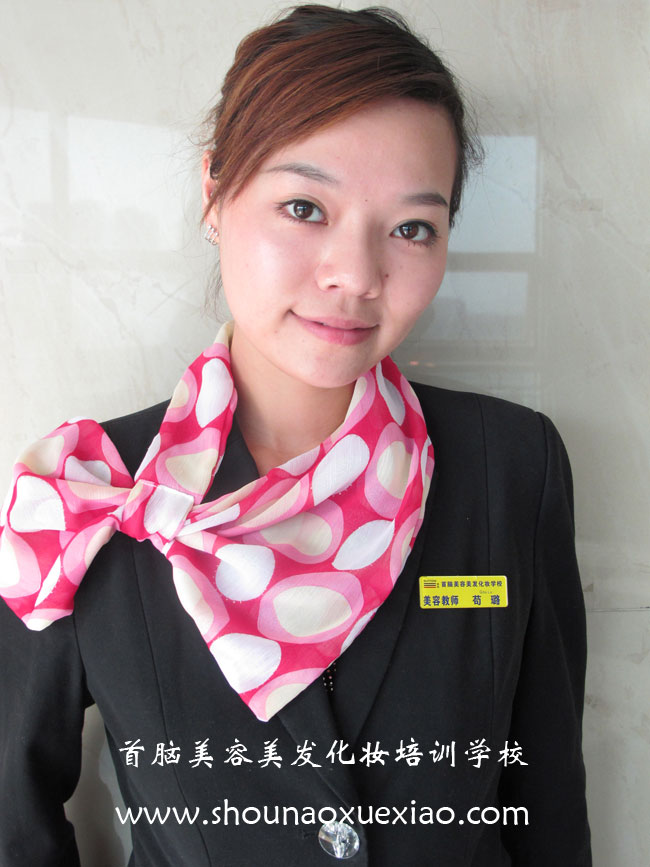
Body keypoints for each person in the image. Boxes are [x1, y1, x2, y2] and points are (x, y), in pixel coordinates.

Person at [0, 5, 591, 865]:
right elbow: (11, 813)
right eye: (305, 206)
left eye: (412, 228)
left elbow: (547, 803)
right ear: (214, 194)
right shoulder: (88, 490)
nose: (356, 273)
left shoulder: (512, 465)